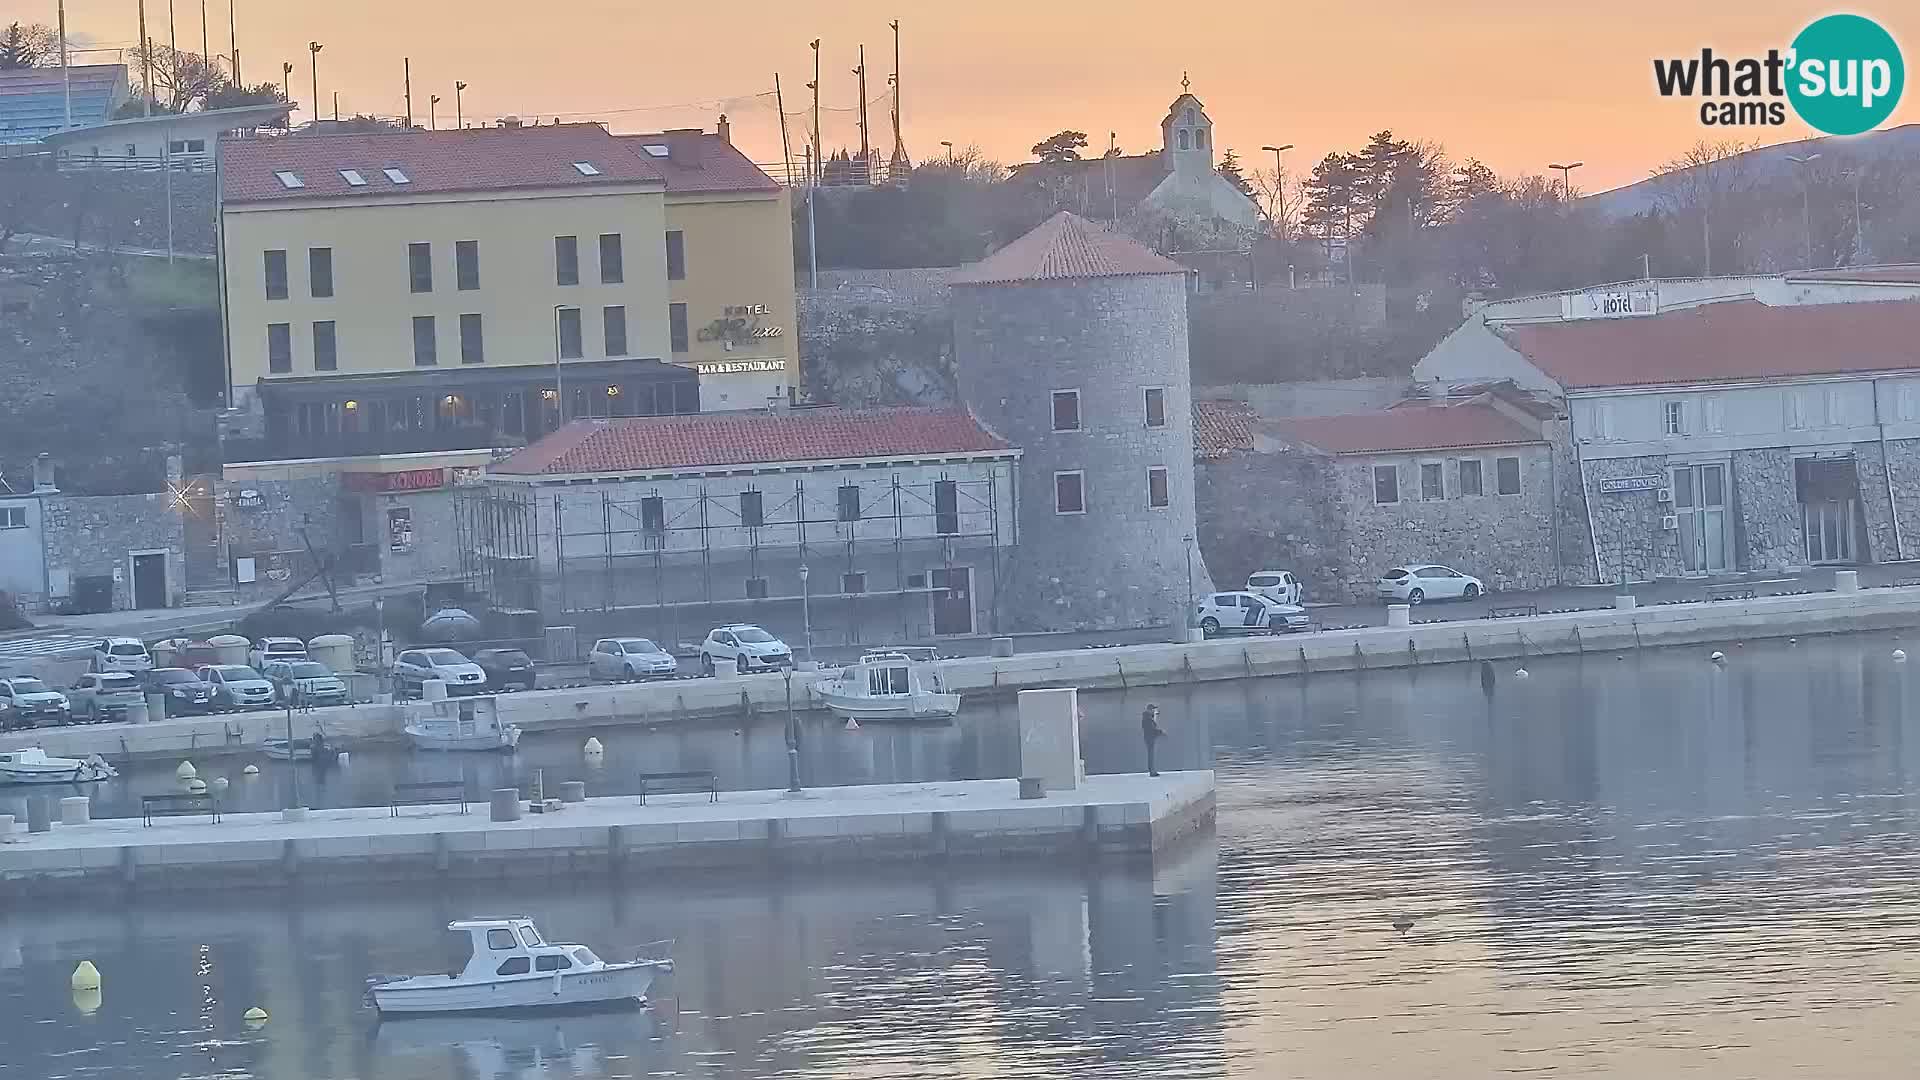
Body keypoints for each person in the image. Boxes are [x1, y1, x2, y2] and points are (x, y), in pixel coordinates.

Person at [1141, 703, 1166, 777]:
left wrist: (1155, 715)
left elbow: (1153, 725)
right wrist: (1160, 732)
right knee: (1151, 755)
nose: (1154, 711)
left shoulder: (1148, 717)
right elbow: (1150, 729)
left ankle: (1152, 771)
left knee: (1151, 755)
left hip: (1150, 738)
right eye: (1153, 709)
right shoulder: (1147, 718)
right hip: (1149, 738)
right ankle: (1152, 772)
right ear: (1149, 710)